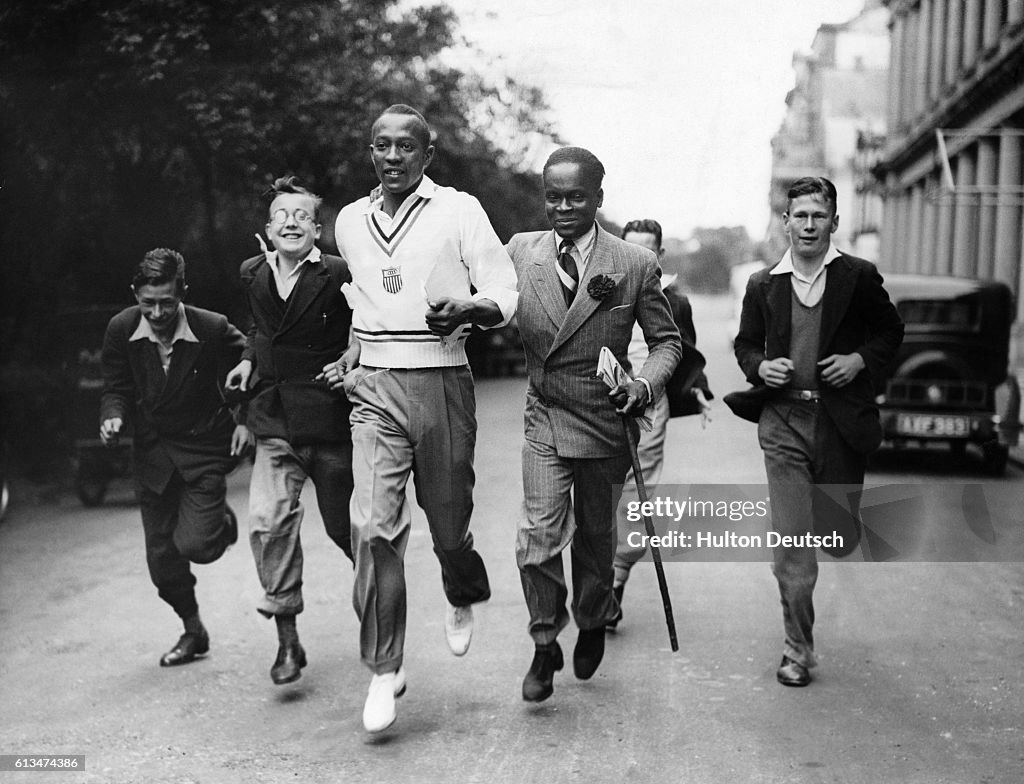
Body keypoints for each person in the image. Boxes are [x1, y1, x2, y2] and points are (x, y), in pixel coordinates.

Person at [328, 104, 518, 733]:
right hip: (376, 389)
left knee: (448, 524)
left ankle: (460, 587)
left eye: (405, 146)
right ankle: (385, 667)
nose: (392, 157)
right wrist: (353, 354)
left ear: (427, 154)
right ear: (370, 152)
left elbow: (503, 288)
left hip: (442, 379)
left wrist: (470, 308)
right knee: (375, 529)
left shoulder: (458, 210)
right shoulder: (351, 221)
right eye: (380, 145)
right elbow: (360, 301)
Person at [507, 147, 681, 702]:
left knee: (596, 540)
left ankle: (590, 616)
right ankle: (543, 640)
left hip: (607, 420)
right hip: (545, 417)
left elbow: (666, 343)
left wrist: (644, 385)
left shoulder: (632, 263)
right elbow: (481, 297)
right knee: (536, 539)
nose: (563, 207)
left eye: (576, 197)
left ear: (598, 199)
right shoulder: (519, 253)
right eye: (553, 197)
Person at [733, 176, 903, 687]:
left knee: (835, 531)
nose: (809, 225)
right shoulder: (764, 284)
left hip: (840, 424)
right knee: (793, 542)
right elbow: (746, 346)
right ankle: (796, 649)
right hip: (783, 421)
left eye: (818, 215)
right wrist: (761, 368)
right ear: (785, 222)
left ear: (834, 222)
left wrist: (858, 360)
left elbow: (890, 332)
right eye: (799, 215)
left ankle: (800, 628)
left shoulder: (858, 277)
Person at [224, 176, 355, 686]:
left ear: (317, 231)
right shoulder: (253, 273)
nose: (292, 223)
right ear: (268, 229)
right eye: (282, 216)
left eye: (302, 216)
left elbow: (362, 327)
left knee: (350, 533)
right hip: (275, 422)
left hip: (329, 422)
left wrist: (350, 359)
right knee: (267, 522)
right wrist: (247, 362)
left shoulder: (338, 274)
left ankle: (380, 620)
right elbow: (260, 330)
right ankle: (287, 639)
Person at [100, 248, 248, 667]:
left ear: (183, 291)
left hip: (204, 450)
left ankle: (218, 524)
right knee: (162, 565)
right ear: (135, 294)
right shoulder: (122, 329)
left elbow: (253, 364)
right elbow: (116, 388)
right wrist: (113, 417)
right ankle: (193, 629)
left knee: (197, 546)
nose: (158, 312)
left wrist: (245, 420)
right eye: (148, 303)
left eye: (167, 301)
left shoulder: (211, 327)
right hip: (153, 458)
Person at [607, 218, 712, 630]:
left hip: (650, 403)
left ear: (660, 255)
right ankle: (595, 579)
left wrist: (698, 389)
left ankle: (614, 583)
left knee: (637, 499)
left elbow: (685, 352)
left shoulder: (675, 300)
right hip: (600, 398)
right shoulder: (600, 284)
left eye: (648, 250)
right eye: (632, 248)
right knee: (597, 495)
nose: (640, 257)